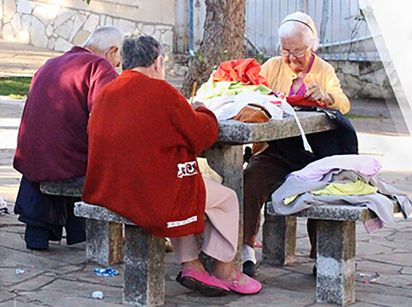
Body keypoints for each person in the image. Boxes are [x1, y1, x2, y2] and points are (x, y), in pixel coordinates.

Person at [82, 35, 262, 296]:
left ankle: (192, 264)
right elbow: (202, 135)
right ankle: (226, 270)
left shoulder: (106, 92)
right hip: (146, 194)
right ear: (158, 62)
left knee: (181, 183)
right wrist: (203, 110)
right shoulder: (162, 92)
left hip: (108, 188)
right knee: (225, 199)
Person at [243, 11, 357, 277]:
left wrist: (327, 96)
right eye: (286, 51)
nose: (292, 58)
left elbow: (344, 103)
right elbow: (252, 94)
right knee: (251, 177)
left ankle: (323, 255)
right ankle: (246, 247)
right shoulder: (272, 66)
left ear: (312, 46)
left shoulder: (323, 69)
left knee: (324, 186)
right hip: (277, 149)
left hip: (314, 153)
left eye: (298, 51)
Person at [13, 26, 123, 251]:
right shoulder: (98, 66)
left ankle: (46, 232)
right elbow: (112, 116)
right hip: (66, 163)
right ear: (112, 52)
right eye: (119, 61)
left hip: (32, 161)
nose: (118, 67)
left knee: (71, 151)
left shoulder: (51, 64)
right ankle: (89, 237)